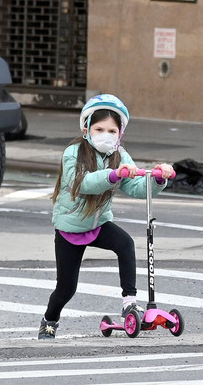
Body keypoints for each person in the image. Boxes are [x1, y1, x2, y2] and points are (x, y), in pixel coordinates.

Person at [38, 94, 175, 339]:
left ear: (120, 133)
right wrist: (113, 175)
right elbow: (82, 184)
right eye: (99, 128)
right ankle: (50, 319)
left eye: (112, 131)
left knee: (125, 244)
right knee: (66, 288)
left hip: (98, 223)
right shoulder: (73, 153)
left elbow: (137, 188)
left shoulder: (119, 154)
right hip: (70, 229)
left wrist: (158, 178)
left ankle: (129, 303)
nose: (105, 135)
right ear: (86, 128)